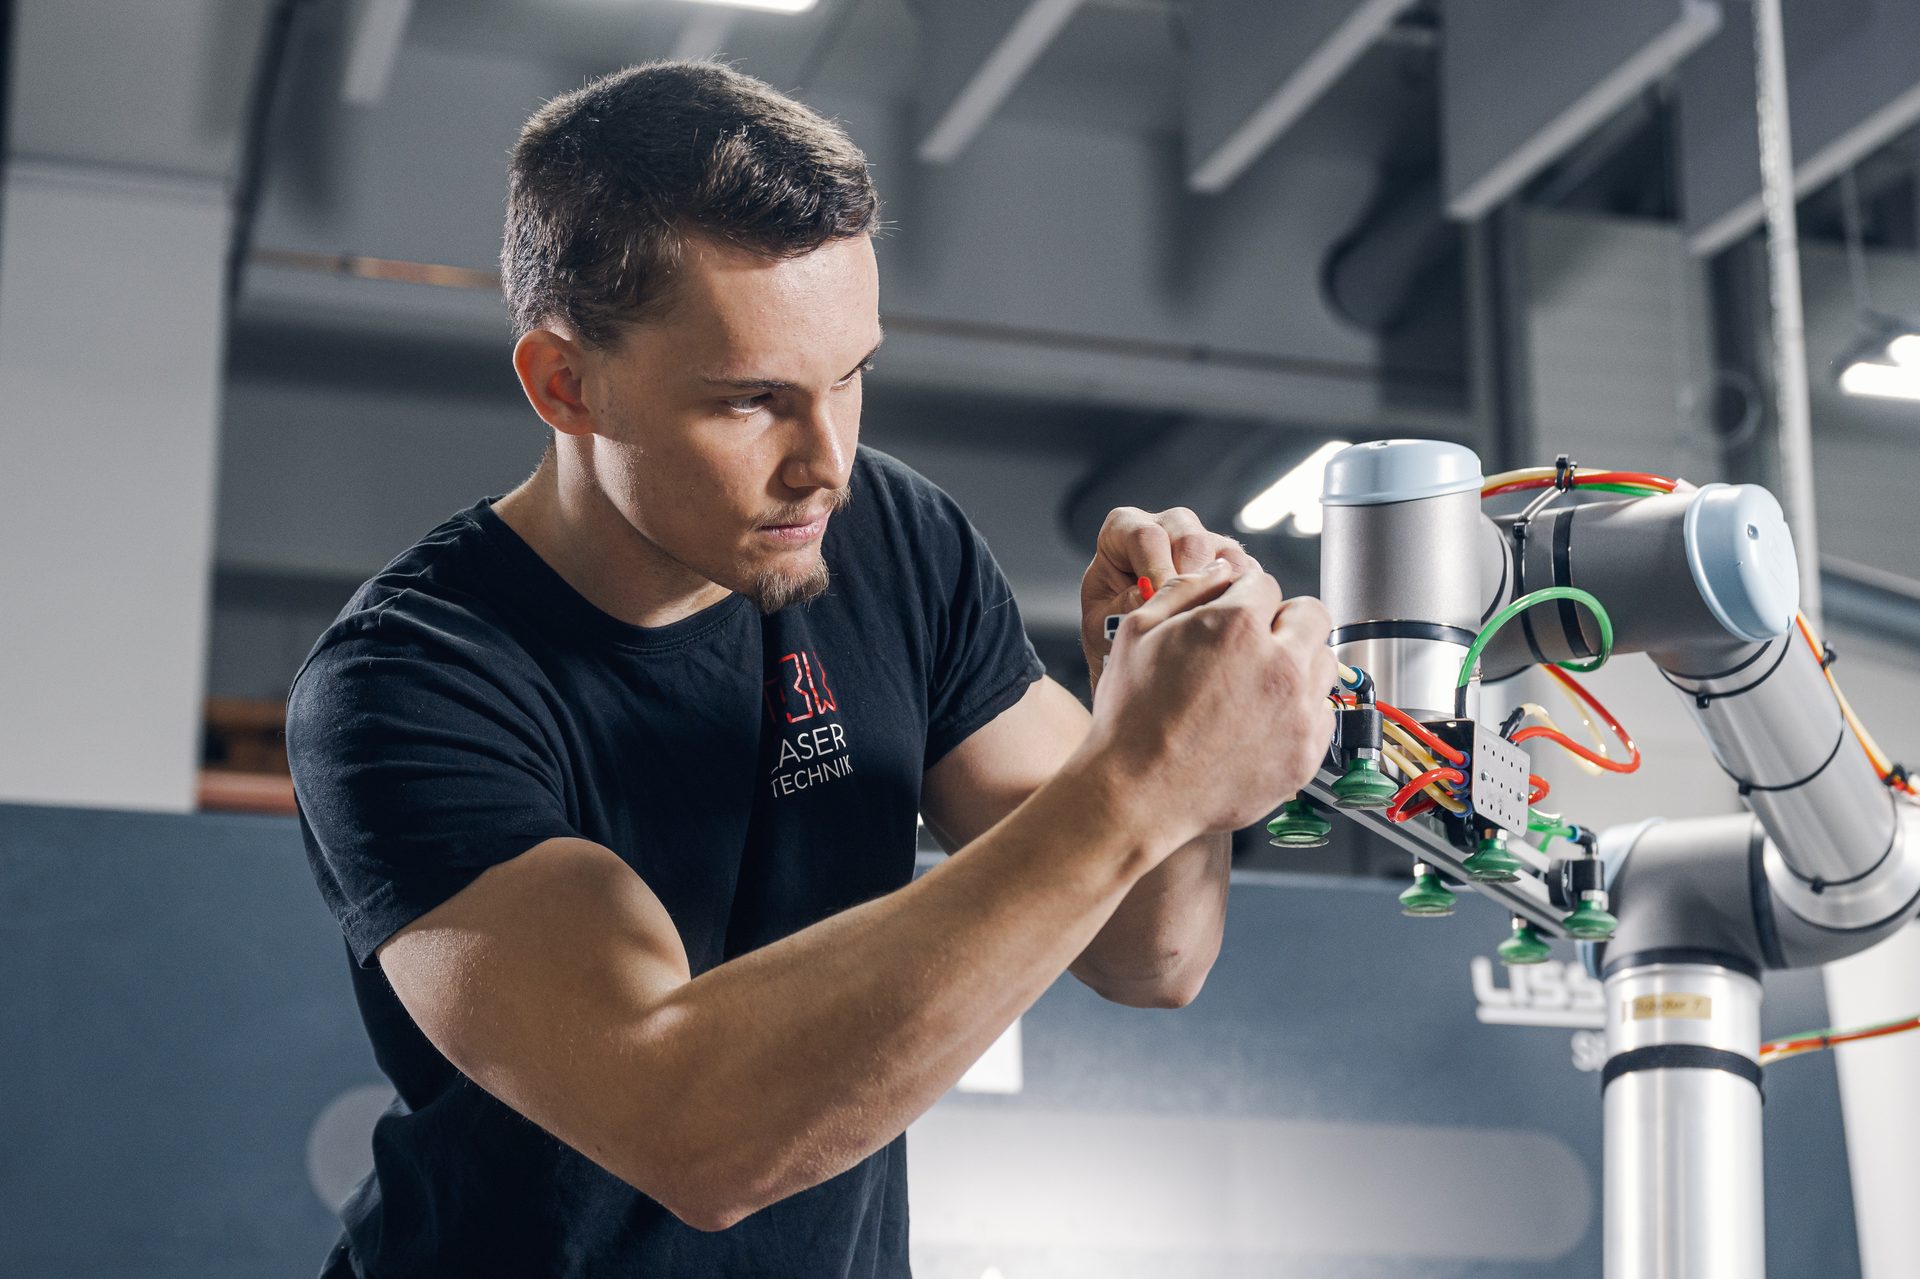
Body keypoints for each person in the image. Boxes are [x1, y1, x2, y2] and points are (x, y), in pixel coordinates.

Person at [287, 59, 1335, 1279]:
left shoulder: (897, 540)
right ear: (565, 385)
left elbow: (1153, 954)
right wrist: (1140, 778)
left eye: (851, 377)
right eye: (751, 400)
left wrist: (1155, 703)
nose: (824, 463)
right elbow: (691, 1126)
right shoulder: (406, 683)